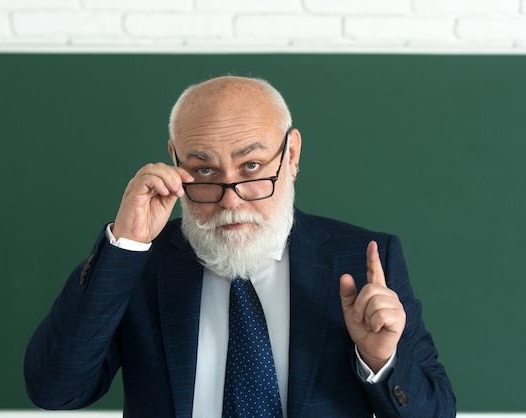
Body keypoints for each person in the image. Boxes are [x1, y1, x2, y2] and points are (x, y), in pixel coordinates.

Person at [24, 75, 456, 417]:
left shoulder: (365, 258)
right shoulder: (141, 264)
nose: (231, 199)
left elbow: (436, 411)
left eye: (251, 166)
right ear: (175, 162)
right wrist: (125, 245)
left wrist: (379, 360)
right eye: (204, 170)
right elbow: (55, 389)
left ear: (291, 156)